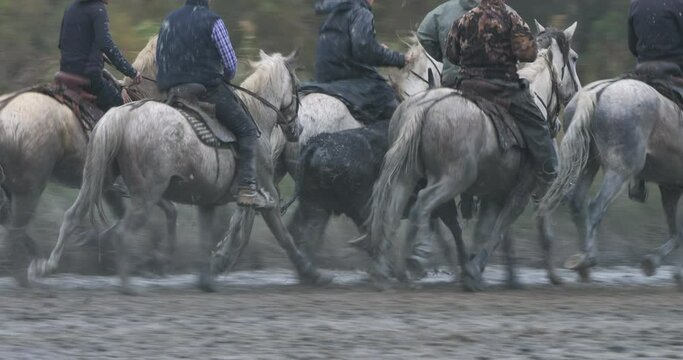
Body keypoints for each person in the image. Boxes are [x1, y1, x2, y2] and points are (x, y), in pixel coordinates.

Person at [156, 0, 269, 208]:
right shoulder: (213, 21)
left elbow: (159, 58)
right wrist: (224, 78)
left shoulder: (169, 20)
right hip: (205, 90)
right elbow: (230, 64)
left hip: (173, 92)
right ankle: (247, 188)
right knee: (247, 130)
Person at [446, 0, 558, 183]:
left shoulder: (463, 19)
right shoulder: (512, 18)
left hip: (468, 86)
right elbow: (529, 55)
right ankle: (549, 170)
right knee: (537, 123)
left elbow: (451, 54)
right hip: (503, 88)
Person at [311, 0, 410, 122]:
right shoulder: (361, 13)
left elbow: (344, 48)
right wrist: (398, 59)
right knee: (392, 106)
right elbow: (364, 50)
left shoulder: (333, 13)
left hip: (325, 79)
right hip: (349, 79)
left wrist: (376, 47)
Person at [59, 0, 142, 112]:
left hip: (65, 73)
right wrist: (132, 72)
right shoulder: (98, 9)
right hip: (89, 77)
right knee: (122, 109)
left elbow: (62, 44)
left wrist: (95, 53)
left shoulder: (70, 8)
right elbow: (106, 45)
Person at [417, 0, 480, 87]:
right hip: (490, 81)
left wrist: (446, 56)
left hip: (453, 79)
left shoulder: (441, 11)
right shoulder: (501, 10)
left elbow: (423, 35)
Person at [628, 0, 683, 72]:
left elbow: (632, 46)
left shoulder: (635, 3)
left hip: (643, 66)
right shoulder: (678, 3)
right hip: (676, 66)